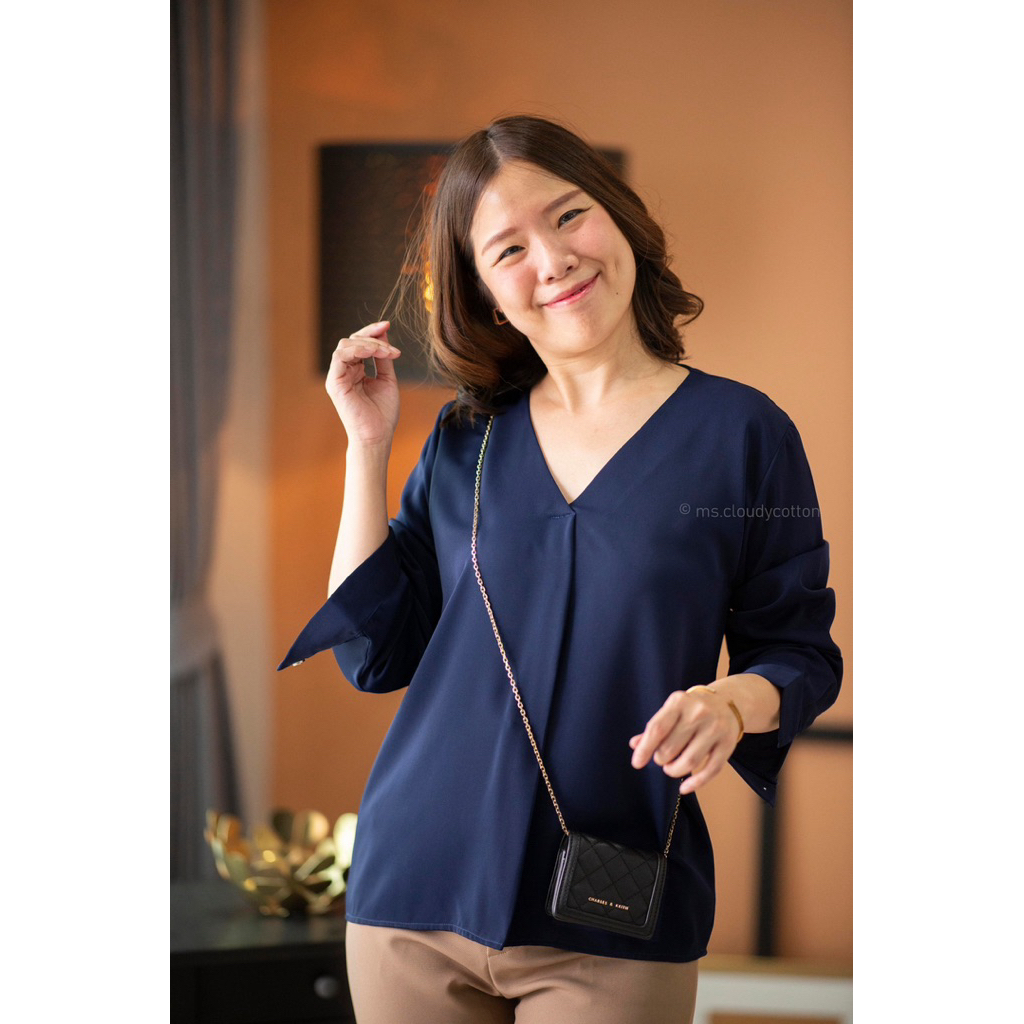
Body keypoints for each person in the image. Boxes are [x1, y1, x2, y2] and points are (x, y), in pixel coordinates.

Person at [279, 114, 842, 1024]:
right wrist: (366, 448)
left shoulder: (743, 436)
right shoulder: (467, 437)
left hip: (611, 908)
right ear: (485, 291)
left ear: (619, 218)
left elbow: (800, 654)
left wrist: (734, 704)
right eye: (508, 249)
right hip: (413, 895)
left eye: (570, 215)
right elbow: (373, 654)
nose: (553, 259)